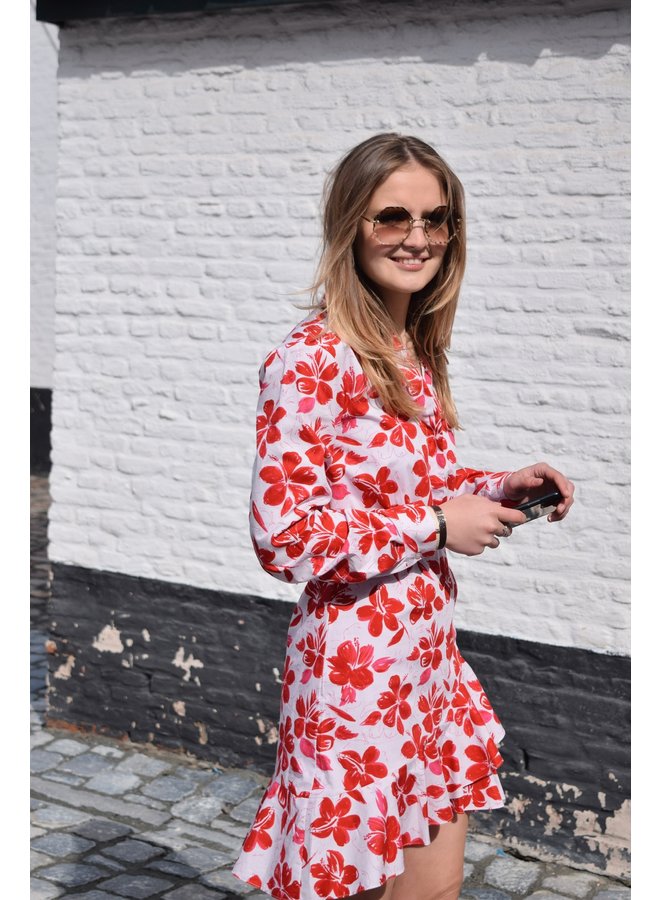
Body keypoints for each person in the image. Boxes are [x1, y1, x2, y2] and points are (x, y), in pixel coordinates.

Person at [232, 133, 574, 900]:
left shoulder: (408, 348)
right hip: (353, 680)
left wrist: (501, 484)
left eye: (436, 218)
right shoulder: (311, 359)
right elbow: (282, 535)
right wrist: (435, 528)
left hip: (427, 665)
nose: (417, 238)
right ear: (351, 224)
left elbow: (415, 484)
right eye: (392, 217)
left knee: (435, 891)